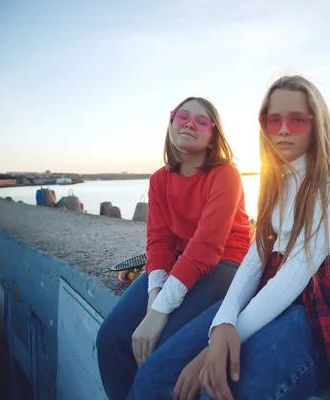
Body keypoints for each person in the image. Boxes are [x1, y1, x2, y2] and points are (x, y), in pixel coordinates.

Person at [127, 75, 330, 400]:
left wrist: (225, 341)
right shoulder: (277, 181)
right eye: (274, 120)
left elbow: (296, 274)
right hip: (270, 289)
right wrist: (223, 323)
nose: (283, 129)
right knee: (152, 377)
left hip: (321, 300)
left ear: (316, 124)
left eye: (296, 120)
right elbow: (256, 259)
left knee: (222, 390)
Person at [96, 96, 253, 400]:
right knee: (111, 339)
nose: (191, 124)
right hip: (179, 265)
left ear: (213, 137)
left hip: (225, 266)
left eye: (202, 121)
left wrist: (159, 312)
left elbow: (207, 247)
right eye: (182, 116)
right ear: (170, 123)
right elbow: (159, 241)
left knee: (161, 344)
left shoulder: (226, 175)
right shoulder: (158, 179)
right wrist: (155, 296)